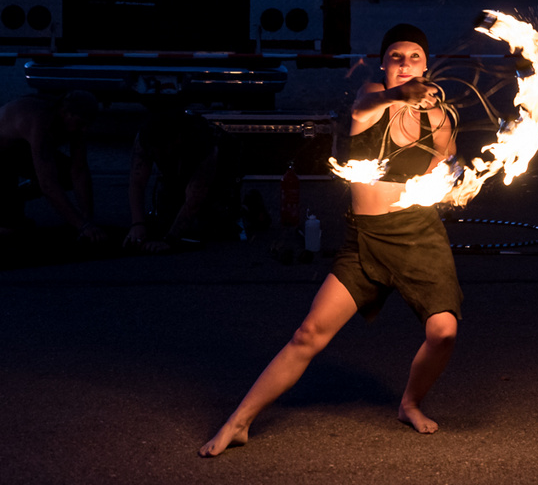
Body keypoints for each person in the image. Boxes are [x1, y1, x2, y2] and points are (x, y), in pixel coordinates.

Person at [199, 23, 462, 457]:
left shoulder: (436, 117)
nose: (404, 64)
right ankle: (238, 422)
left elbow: (449, 168)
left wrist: (453, 177)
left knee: (444, 332)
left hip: (418, 237)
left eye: (414, 57)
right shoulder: (372, 97)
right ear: (383, 63)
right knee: (308, 334)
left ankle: (409, 403)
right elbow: (364, 108)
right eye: (396, 56)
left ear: (426, 65)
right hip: (365, 241)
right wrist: (399, 96)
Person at [124, 111, 243, 253]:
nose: (156, 156)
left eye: (161, 151)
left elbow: (195, 197)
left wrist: (170, 240)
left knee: (213, 224)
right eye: (153, 152)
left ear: (176, 140)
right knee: (164, 219)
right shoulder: (145, 137)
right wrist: (137, 224)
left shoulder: (203, 142)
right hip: (177, 167)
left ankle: (247, 208)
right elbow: (137, 182)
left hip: (222, 169)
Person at [0, 90, 107, 241]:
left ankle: (14, 197)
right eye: (82, 123)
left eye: (88, 125)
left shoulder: (75, 124)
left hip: (18, 152)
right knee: (10, 230)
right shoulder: (38, 120)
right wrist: (82, 226)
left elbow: (79, 171)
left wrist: (87, 218)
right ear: (65, 113)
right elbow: (48, 184)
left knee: (65, 174)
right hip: (3, 155)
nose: (84, 129)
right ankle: (7, 204)